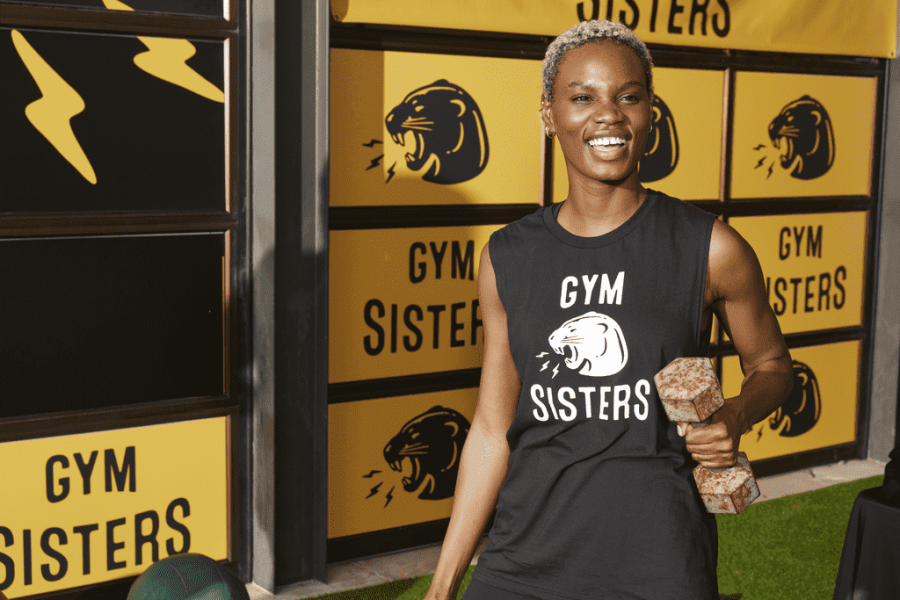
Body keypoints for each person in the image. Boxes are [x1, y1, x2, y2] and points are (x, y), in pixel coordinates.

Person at [423, 19, 794, 600]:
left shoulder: (711, 247)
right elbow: (493, 429)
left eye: (628, 97)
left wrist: (736, 415)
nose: (608, 117)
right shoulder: (506, 256)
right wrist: (443, 585)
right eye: (582, 98)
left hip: (659, 562)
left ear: (650, 113)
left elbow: (773, 366)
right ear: (549, 116)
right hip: (522, 561)